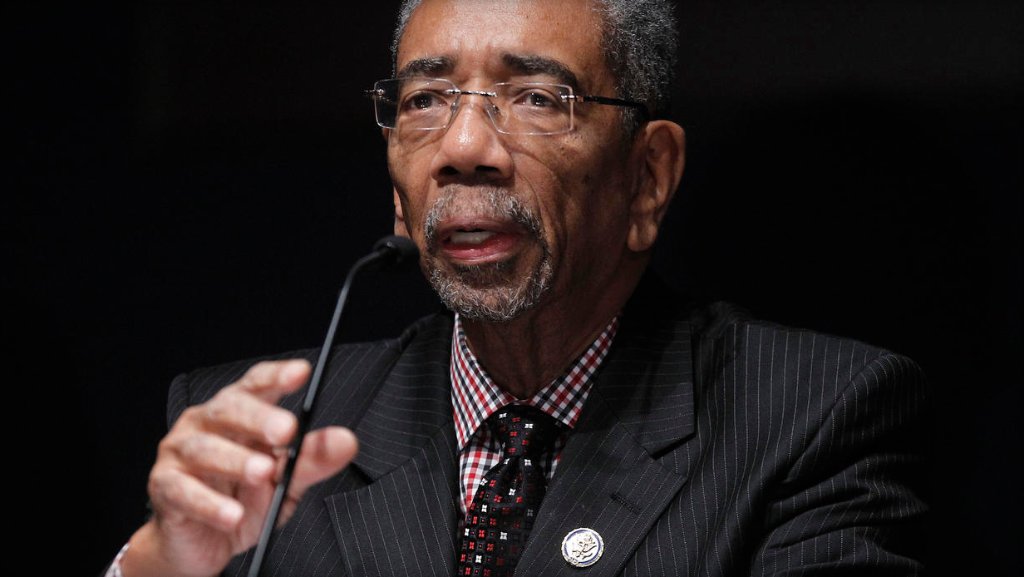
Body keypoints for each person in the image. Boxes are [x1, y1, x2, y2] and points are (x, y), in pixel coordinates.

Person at [107, 0, 928, 575]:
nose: (463, 147)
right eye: (425, 100)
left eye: (536, 97)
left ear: (648, 178)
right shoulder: (254, 443)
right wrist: (158, 565)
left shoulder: (807, 418)